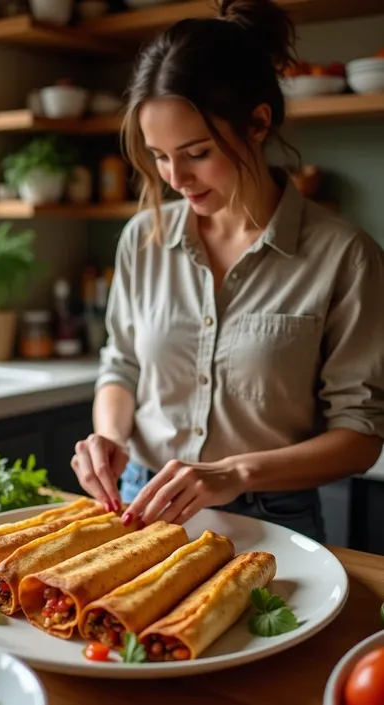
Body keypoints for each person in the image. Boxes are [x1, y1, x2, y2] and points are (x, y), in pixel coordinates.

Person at [70, 0, 384, 542]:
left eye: (196, 152)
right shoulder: (142, 240)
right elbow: (120, 366)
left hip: (273, 520)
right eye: (160, 156)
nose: (176, 178)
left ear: (259, 123)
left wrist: (234, 472)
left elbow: (360, 436)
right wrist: (109, 436)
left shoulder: (344, 256)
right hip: (143, 506)